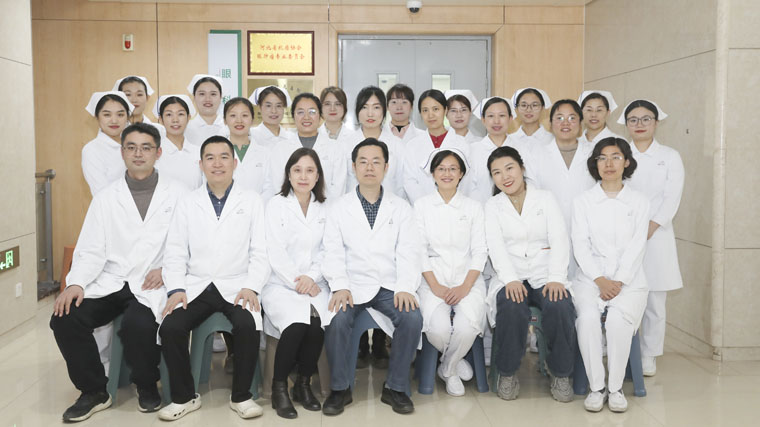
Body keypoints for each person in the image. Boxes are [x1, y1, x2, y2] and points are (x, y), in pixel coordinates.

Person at [50, 123, 185, 422]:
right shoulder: (106, 198)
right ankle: (94, 390)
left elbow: (189, 244)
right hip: (110, 278)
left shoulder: (178, 194)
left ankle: (146, 384)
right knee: (65, 317)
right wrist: (76, 283)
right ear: (122, 152)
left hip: (152, 280)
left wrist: (167, 269)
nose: (138, 154)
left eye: (146, 148)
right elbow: (90, 248)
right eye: (131, 147)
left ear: (158, 153)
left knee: (139, 324)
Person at [159, 136, 270, 421]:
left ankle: (242, 396)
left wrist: (251, 286)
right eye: (210, 157)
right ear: (201, 164)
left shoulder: (252, 201)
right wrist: (176, 288)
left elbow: (260, 251)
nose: (217, 163)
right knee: (171, 327)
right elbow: (175, 251)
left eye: (224, 157)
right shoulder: (188, 202)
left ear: (235, 163)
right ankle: (184, 397)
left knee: (246, 324)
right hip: (196, 285)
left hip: (237, 284)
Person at [321, 138, 423, 415]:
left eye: (376, 162)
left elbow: (409, 251)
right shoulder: (338, 207)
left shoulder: (401, 207)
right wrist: (339, 285)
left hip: (389, 284)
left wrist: (405, 287)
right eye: (363, 162)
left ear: (386, 167)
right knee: (338, 319)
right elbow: (331, 251)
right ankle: (340, 389)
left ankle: (396, 387)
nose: (369, 167)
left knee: (412, 317)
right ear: (354, 167)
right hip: (351, 284)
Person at [483, 146, 575, 403]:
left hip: (545, 272)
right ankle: (507, 372)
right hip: (510, 273)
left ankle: (561, 373)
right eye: (497, 172)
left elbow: (559, 238)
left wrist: (556, 277)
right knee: (512, 306)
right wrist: (510, 279)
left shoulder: (545, 198)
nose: (505, 176)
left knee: (559, 305)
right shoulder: (492, 206)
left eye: (509, 168)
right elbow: (495, 246)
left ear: (522, 168)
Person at [572, 137, 650, 413]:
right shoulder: (583, 202)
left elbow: (638, 245)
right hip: (590, 279)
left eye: (616, 157)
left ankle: (615, 388)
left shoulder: (639, 202)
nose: (609, 164)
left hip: (629, 281)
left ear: (626, 162)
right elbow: (580, 244)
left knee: (617, 321)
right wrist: (600, 280)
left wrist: (618, 281)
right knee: (588, 320)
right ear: (595, 164)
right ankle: (597, 388)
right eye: (602, 158)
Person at [262, 148, 332, 419]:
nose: (303, 176)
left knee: (317, 325)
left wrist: (311, 278)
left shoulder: (325, 207)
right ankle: (279, 388)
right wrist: (298, 281)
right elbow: (275, 251)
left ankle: (303, 384)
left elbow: (329, 249)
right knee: (296, 324)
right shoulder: (275, 205)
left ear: (318, 176)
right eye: (297, 170)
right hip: (280, 283)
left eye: (310, 170)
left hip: (316, 283)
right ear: (288, 175)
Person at [414, 149, 487, 397]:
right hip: (432, 279)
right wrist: (435, 285)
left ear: (461, 174)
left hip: (468, 279)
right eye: (441, 169)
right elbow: (419, 250)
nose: (447, 173)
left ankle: (447, 367)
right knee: (438, 329)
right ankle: (455, 362)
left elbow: (480, 251)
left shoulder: (473, 208)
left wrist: (465, 287)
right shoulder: (422, 206)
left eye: (453, 168)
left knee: (467, 328)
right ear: (433, 174)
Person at [619, 100, 684, 377]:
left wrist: (651, 226)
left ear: (656, 123)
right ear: (626, 124)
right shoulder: (619, 153)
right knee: (622, 294)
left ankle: (649, 354)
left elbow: (672, 197)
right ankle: (619, 347)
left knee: (655, 300)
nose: (640, 124)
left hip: (657, 236)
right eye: (633, 120)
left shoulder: (669, 156)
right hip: (621, 234)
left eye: (646, 119)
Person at [533, 100, 596, 278]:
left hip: (589, 229)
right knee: (554, 282)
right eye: (559, 118)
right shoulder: (536, 154)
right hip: (548, 230)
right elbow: (533, 195)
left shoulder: (594, 153)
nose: (565, 123)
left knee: (587, 282)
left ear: (580, 123)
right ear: (550, 123)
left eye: (572, 118)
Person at [267, 93, 347, 200]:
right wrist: (297, 207)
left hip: (327, 208)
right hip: (289, 208)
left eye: (312, 112)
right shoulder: (280, 149)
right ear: (293, 116)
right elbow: (279, 186)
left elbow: (338, 189)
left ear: (320, 115)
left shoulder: (335, 148)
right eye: (300, 112)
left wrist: (319, 207)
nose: (306, 117)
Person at [402, 89, 472, 204]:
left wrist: (451, 204)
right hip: (423, 208)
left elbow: (466, 180)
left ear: (445, 110)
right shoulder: (412, 145)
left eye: (436, 109)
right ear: (420, 114)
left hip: (455, 207)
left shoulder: (461, 144)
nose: (431, 115)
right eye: (425, 110)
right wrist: (426, 206)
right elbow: (410, 181)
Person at [468, 96, 535, 204]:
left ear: (510, 118)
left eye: (502, 115)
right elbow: (468, 189)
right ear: (483, 120)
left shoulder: (523, 148)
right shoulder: (472, 151)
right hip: (483, 210)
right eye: (491, 116)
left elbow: (532, 183)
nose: (496, 121)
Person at [345, 85, 405, 202]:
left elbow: (401, 185)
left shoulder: (397, 145)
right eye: (364, 107)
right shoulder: (345, 145)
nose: (370, 114)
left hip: (389, 206)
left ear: (384, 110)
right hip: (353, 206)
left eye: (376, 107)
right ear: (357, 111)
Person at [82, 91, 133, 196]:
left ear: (127, 117)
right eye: (107, 115)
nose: (114, 120)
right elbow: (101, 193)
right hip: (111, 205)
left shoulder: (137, 144)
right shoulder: (92, 150)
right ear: (97, 117)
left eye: (120, 114)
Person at [153, 95, 203, 190]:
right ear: (161, 119)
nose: (175, 120)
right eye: (169, 115)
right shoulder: (154, 154)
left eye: (180, 114)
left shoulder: (199, 152)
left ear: (188, 117)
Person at [223, 96, 271, 195]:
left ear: (252, 119)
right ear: (225, 120)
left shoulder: (265, 153)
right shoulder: (217, 152)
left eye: (244, 115)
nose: (239, 120)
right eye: (233, 115)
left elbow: (269, 188)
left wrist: (256, 204)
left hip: (258, 204)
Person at [249, 85, 299, 150]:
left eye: (278, 106)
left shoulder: (292, 138)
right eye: (268, 106)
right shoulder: (250, 136)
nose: (274, 111)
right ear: (260, 108)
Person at [185, 74, 225, 146]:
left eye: (213, 94)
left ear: (221, 96)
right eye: (202, 94)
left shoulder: (229, 127)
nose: (208, 99)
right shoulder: (185, 129)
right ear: (194, 96)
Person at [510, 87, 553, 153]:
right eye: (524, 105)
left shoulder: (552, 140)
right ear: (517, 108)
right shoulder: (509, 141)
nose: (528, 110)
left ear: (542, 108)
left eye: (534, 105)